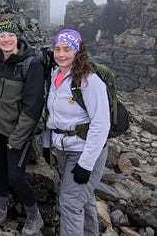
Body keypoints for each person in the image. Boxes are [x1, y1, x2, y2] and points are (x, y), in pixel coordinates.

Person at [0, 16, 45, 235]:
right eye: (2, 35)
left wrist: (17, 137)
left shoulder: (31, 65)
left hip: (16, 133)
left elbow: (32, 107)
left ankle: (34, 215)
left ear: (18, 37)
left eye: (11, 34)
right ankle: (0, 210)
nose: (6, 39)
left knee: (15, 176)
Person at [43, 29, 109, 235]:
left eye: (67, 49)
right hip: (63, 150)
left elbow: (101, 124)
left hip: (84, 152)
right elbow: (51, 115)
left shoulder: (89, 81)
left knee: (70, 203)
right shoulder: (55, 74)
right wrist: (47, 144)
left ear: (78, 51)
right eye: (57, 49)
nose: (61, 54)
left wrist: (86, 164)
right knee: (84, 199)